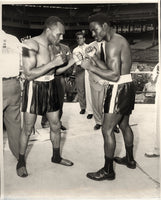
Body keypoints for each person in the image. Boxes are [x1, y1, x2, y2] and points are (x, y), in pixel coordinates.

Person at [16, 16, 76, 178]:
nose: (61, 37)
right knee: (28, 128)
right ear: (48, 30)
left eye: (62, 35)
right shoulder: (30, 44)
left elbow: (54, 72)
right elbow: (28, 74)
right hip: (33, 87)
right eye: (59, 34)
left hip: (50, 86)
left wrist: (72, 61)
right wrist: (53, 63)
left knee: (56, 125)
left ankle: (56, 156)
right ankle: (21, 161)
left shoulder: (53, 47)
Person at [81, 13, 136, 181]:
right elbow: (111, 68)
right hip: (128, 85)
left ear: (104, 26)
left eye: (94, 29)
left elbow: (113, 76)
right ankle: (130, 159)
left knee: (107, 130)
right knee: (125, 124)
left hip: (118, 88)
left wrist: (90, 67)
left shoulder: (112, 44)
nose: (92, 34)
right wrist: (95, 58)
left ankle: (108, 171)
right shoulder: (115, 40)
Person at [41, 42, 72, 130]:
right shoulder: (47, 46)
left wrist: (67, 74)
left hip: (60, 77)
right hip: (48, 77)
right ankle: (45, 122)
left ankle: (57, 122)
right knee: (48, 101)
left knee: (60, 102)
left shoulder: (65, 47)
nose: (60, 36)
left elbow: (70, 60)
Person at [1, 30, 22, 159]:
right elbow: (23, 61)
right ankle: (20, 159)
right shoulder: (13, 38)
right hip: (14, 83)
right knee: (14, 124)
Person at [72, 32, 93, 118]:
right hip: (80, 69)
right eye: (78, 38)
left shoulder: (89, 47)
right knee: (81, 90)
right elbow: (77, 62)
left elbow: (92, 59)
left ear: (84, 39)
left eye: (81, 38)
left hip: (88, 69)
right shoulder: (75, 50)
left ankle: (90, 110)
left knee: (89, 90)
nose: (80, 39)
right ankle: (83, 107)